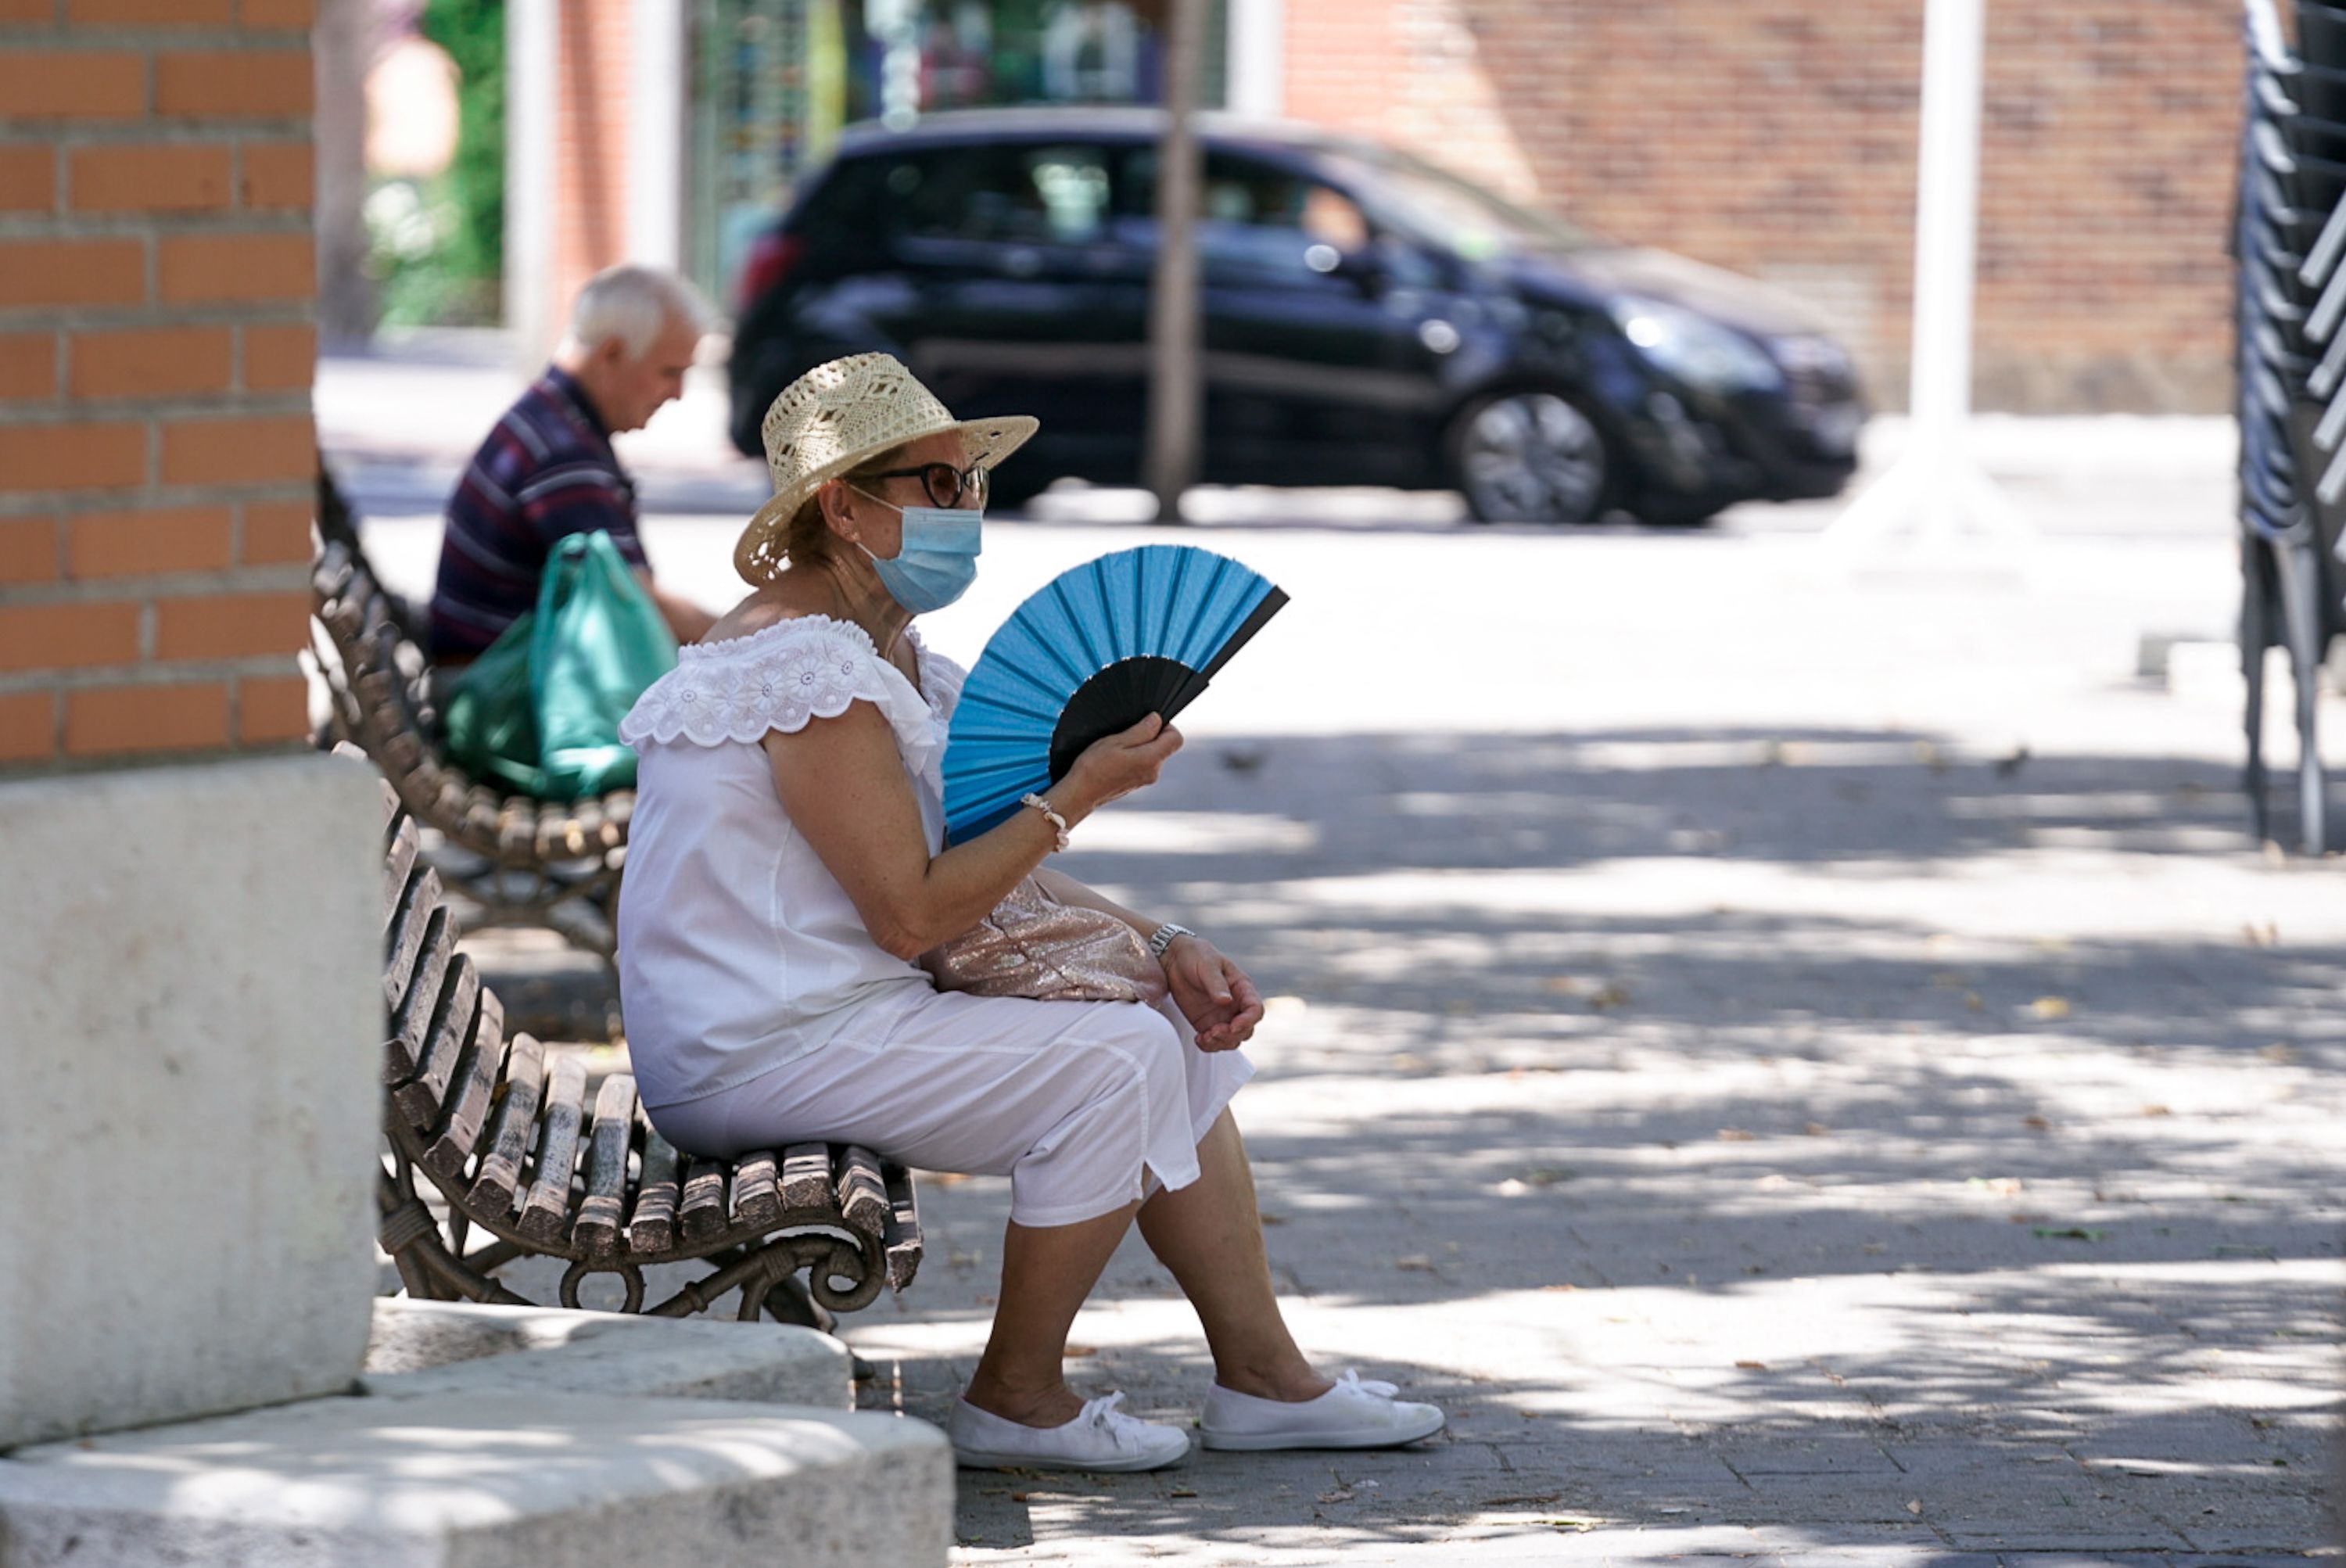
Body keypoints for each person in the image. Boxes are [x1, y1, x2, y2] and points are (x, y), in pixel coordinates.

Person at [615, 353, 1445, 1472]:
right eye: (938, 485)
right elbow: (912, 914)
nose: (968, 510)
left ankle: (1265, 1380)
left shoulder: (887, 653)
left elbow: (982, 860)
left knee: (1167, 1027)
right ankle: (1015, 1396)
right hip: (755, 1049)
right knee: (1116, 1061)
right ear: (843, 508)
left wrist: (1160, 942)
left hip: (828, 1016)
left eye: (974, 484)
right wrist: (1076, 795)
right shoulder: (804, 671)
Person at [427, 264, 719, 663]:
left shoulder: (549, 417)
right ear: (612, 354)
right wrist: (749, 637)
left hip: (495, 673)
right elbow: (639, 607)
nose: (678, 394)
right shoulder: (561, 453)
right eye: (670, 372)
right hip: (499, 696)